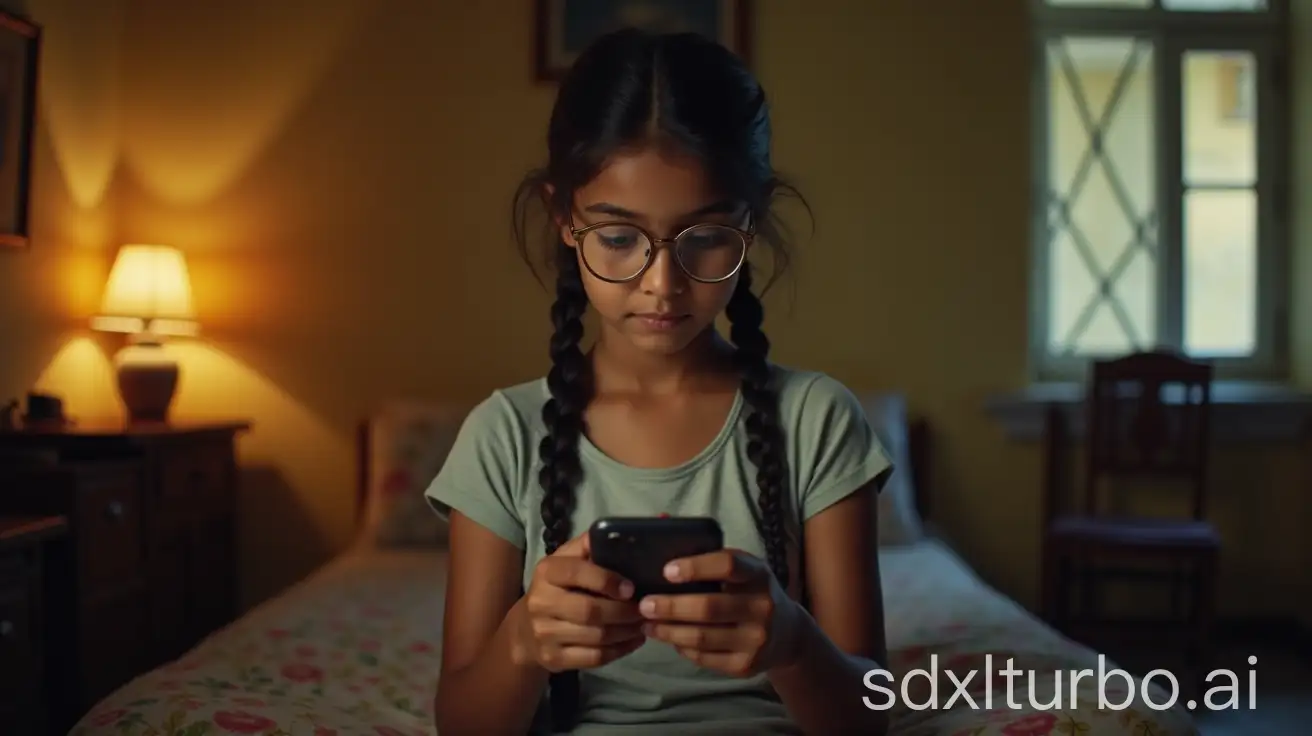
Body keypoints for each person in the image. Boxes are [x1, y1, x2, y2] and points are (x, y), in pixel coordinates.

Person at [426, 26, 893, 736]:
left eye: (705, 235)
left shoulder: (817, 420)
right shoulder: (504, 435)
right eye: (618, 238)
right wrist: (523, 642)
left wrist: (793, 642)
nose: (662, 284)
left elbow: (867, 716)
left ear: (751, 222)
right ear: (563, 218)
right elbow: (462, 723)